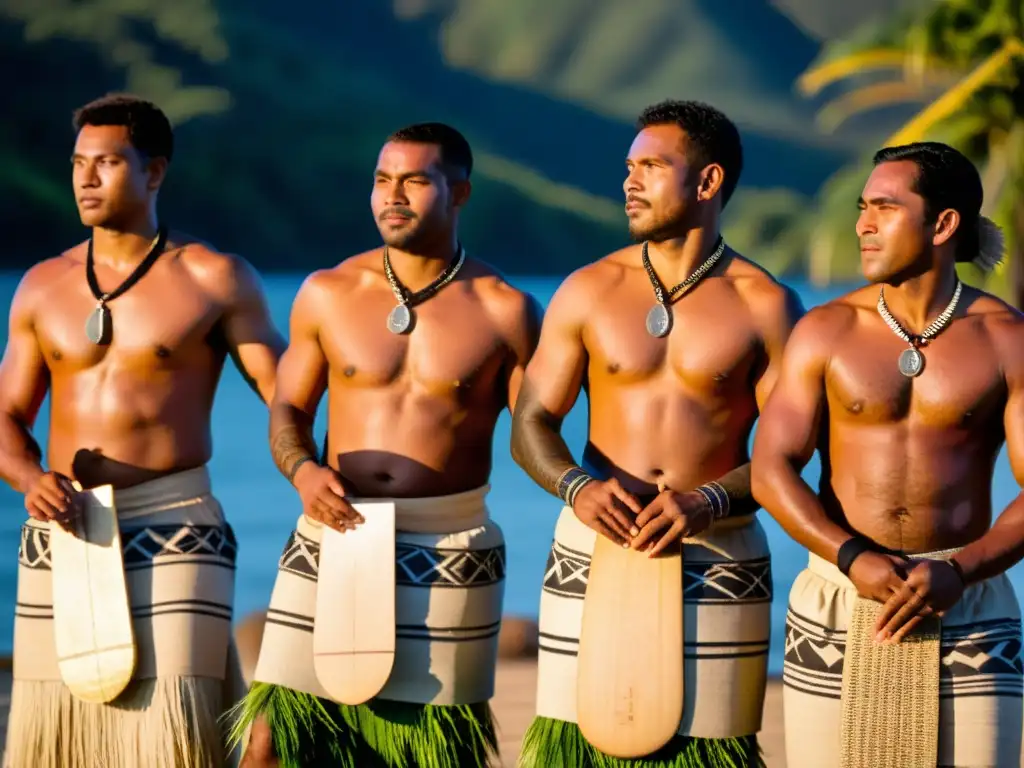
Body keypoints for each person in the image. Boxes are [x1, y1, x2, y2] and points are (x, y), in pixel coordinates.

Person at [229, 122, 541, 768]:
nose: (391, 195)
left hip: (450, 543)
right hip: (333, 531)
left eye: (414, 181)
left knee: (425, 752)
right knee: (271, 741)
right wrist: (302, 469)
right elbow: (289, 405)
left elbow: (541, 431)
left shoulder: (505, 309)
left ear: (460, 193)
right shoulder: (327, 293)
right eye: (381, 180)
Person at [510, 99, 803, 768]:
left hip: (720, 553)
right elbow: (531, 423)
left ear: (707, 183)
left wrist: (709, 501)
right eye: (628, 167)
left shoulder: (766, 304)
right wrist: (577, 489)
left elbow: (788, 451)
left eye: (651, 166)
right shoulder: (588, 290)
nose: (629, 183)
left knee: (710, 752)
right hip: (594, 545)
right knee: (572, 747)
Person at [0, 93, 285, 768]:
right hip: (65, 526)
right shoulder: (43, 286)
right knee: (56, 731)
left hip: (177, 519)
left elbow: (287, 398)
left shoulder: (215, 279)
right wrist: (28, 477)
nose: (86, 179)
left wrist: (323, 472)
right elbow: (7, 414)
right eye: (77, 164)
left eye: (106, 163)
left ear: (154, 172)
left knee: (176, 730)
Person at [751, 141, 1024, 768]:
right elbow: (771, 468)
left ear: (944, 224)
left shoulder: (1005, 340)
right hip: (838, 594)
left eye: (885, 208)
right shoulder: (825, 331)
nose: (862, 225)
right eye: (861, 207)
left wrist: (961, 570)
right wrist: (852, 557)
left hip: (968, 601)